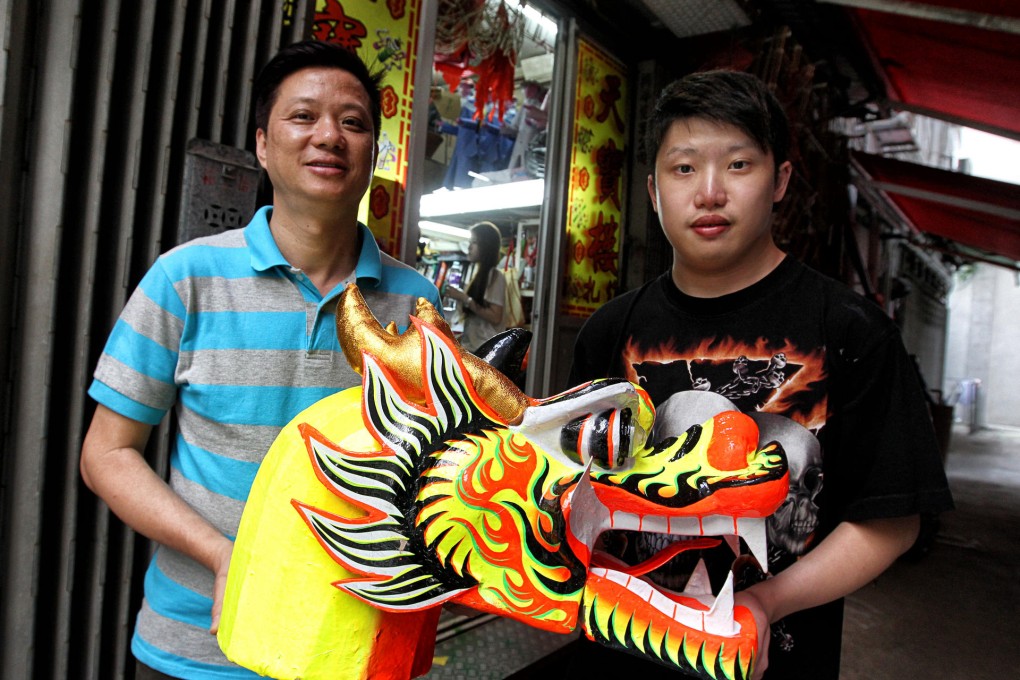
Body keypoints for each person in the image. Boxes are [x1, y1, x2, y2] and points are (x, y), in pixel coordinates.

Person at [565, 70, 953, 679]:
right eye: (684, 168)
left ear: (781, 181)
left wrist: (767, 602)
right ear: (653, 188)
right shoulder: (607, 333)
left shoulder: (852, 332)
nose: (710, 192)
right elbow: (571, 492)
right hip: (617, 656)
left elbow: (891, 521)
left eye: (739, 165)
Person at [79, 40, 442, 680]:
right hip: (192, 647)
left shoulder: (416, 303)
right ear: (263, 145)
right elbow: (106, 453)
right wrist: (223, 556)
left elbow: (436, 467)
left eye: (353, 122)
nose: (329, 135)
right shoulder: (185, 278)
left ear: (371, 156)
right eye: (303, 117)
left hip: (348, 648)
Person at [444, 221, 506, 351]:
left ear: (485, 246)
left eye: (474, 242)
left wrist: (465, 298)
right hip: (473, 348)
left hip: (487, 352)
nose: (469, 247)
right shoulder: (478, 275)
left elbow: (495, 317)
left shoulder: (495, 276)